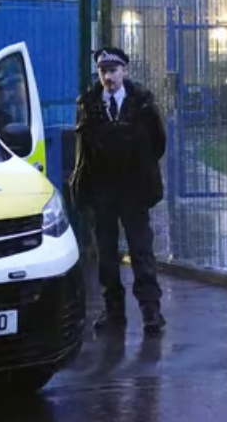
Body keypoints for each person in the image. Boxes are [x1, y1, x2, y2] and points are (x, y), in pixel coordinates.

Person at [71, 47, 168, 335]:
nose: (108, 77)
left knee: (141, 250)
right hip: (103, 188)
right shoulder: (89, 103)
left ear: (125, 71)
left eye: (113, 71)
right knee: (106, 253)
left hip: (133, 188)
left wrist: (144, 172)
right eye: (103, 71)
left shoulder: (142, 103)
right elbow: (84, 147)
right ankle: (113, 311)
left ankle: (151, 311)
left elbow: (157, 142)